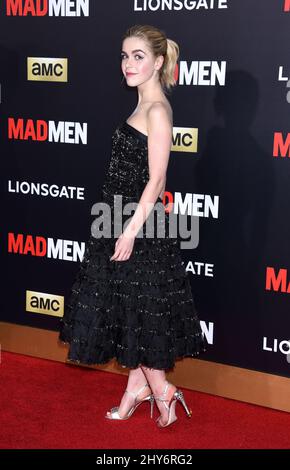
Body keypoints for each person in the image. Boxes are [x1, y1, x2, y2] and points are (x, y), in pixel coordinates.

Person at [59, 24, 206, 428]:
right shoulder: (143, 106)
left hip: (138, 227)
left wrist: (129, 231)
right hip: (119, 220)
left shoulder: (157, 109)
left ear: (158, 62)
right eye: (124, 56)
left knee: (137, 311)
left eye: (138, 56)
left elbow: (157, 181)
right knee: (130, 312)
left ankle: (162, 391)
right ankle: (136, 390)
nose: (128, 64)